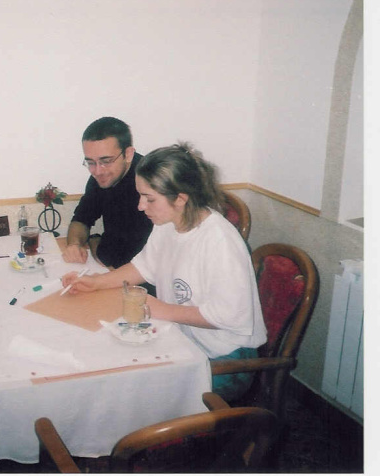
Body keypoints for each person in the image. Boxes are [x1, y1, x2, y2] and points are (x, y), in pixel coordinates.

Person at [61, 143, 267, 401]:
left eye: (149, 199)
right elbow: (143, 267)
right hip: (184, 338)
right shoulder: (168, 223)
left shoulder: (219, 241)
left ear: (181, 198)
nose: (140, 206)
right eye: (140, 196)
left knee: (128, 390)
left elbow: (227, 316)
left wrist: (160, 309)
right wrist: (97, 282)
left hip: (224, 357)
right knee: (106, 360)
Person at [63, 117, 153, 269]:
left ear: (128, 154)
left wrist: (94, 242)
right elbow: (81, 219)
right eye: (90, 162)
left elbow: (122, 260)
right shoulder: (101, 177)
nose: (97, 171)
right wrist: (74, 245)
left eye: (106, 161)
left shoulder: (151, 184)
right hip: (113, 267)